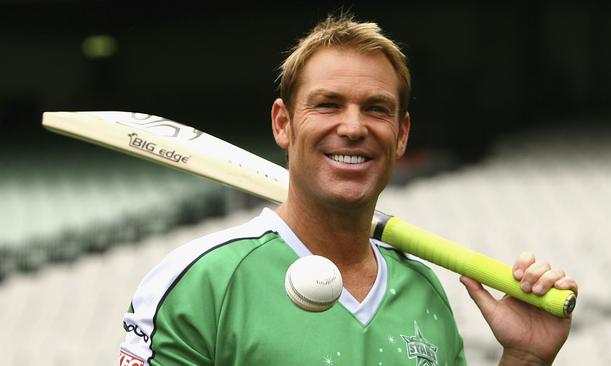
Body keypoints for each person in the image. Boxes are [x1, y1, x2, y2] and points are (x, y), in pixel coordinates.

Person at [119, 14, 577, 366]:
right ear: (283, 123)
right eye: (328, 105)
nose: (354, 128)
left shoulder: (423, 291)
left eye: (376, 109)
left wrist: (525, 360)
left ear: (401, 135)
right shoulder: (200, 282)